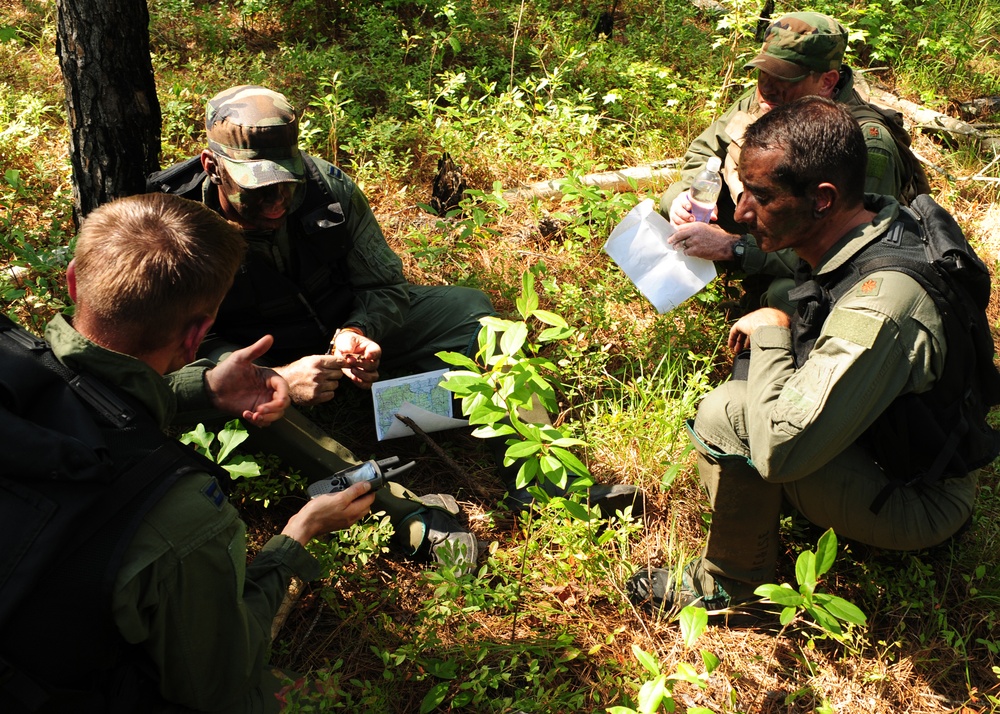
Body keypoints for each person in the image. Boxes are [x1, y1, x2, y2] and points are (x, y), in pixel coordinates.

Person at [148, 84, 642, 536]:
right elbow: (176, 357)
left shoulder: (325, 189)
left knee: (477, 315)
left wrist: (359, 329)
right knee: (256, 405)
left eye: (286, 183)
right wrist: (274, 375)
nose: (277, 203)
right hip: (251, 358)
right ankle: (408, 518)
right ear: (212, 166)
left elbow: (384, 283)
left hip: (336, 329)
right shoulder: (174, 226)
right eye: (256, 189)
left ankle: (545, 486)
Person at [0, 193, 375, 712]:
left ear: (71, 281)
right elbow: (214, 686)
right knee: (309, 697)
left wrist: (201, 392)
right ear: (199, 334)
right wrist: (298, 533)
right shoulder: (180, 517)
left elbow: (77, 398)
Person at [627, 97, 993, 620]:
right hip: (899, 444)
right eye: (743, 189)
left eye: (760, 196)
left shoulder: (881, 304)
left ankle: (733, 590)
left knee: (728, 414)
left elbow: (781, 451)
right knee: (774, 315)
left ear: (822, 198)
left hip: (920, 499)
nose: (743, 212)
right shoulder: (870, 220)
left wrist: (774, 335)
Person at [660, 12, 925, 314]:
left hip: (821, 252)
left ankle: (765, 318)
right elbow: (704, 148)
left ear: (827, 82)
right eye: (763, 75)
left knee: (786, 295)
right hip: (770, 220)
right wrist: (691, 196)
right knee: (675, 197)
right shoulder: (770, 98)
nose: (766, 89)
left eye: (784, 78)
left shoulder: (865, 142)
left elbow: (851, 249)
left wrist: (733, 248)